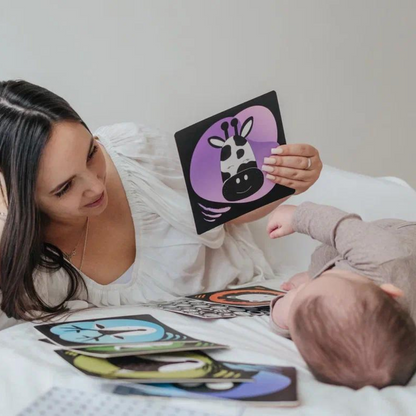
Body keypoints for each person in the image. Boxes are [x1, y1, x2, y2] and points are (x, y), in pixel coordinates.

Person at [0, 79, 322, 330]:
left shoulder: (138, 150)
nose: (96, 185)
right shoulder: (20, 255)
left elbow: (227, 209)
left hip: (244, 307)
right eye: (65, 187)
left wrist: (288, 180)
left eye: (90, 153)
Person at [267, 202, 416, 389]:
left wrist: (285, 314)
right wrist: (296, 217)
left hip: (363, 262)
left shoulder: (395, 333)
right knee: (336, 253)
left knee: (323, 284)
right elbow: (339, 227)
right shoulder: (383, 257)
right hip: (390, 238)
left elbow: (284, 321)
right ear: (389, 291)